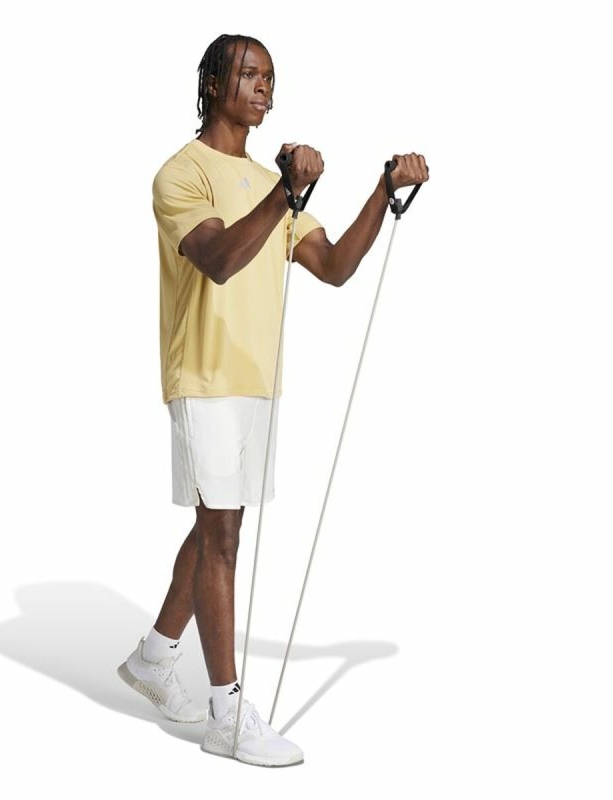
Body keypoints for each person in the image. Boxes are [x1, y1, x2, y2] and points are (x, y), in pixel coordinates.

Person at [118, 33, 428, 767]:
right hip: (204, 375)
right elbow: (219, 260)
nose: (262, 86)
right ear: (212, 83)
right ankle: (226, 717)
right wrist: (285, 194)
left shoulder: (268, 182)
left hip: (258, 379)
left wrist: (381, 192)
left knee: (215, 526)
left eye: (269, 77)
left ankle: (154, 657)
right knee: (222, 537)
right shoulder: (181, 173)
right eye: (249, 74)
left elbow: (335, 266)